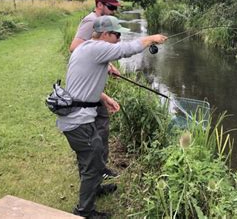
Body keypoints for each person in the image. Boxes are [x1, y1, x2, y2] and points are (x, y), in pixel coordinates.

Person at [58, 15, 167, 218]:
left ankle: (94, 188)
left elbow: (82, 83)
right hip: (78, 121)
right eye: (116, 35)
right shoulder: (96, 48)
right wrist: (150, 38)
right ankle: (85, 211)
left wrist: (104, 97)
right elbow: (125, 50)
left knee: (93, 155)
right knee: (93, 159)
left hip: (78, 116)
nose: (118, 39)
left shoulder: (84, 48)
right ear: (105, 34)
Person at [70, 0, 121, 180]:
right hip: (86, 87)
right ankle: (95, 170)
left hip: (91, 82)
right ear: (100, 5)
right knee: (98, 126)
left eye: (115, 8)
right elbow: (75, 47)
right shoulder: (91, 21)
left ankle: (98, 168)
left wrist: (108, 65)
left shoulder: (101, 22)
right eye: (111, 7)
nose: (114, 11)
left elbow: (93, 50)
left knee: (101, 124)